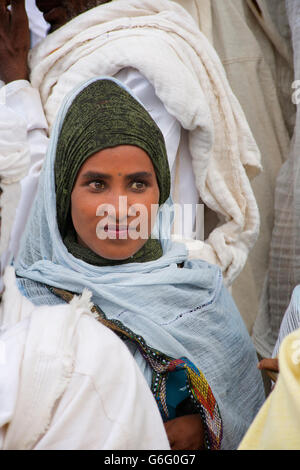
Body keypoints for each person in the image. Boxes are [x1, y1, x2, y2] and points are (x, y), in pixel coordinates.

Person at [14, 76, 265, 450]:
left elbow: (252, 421)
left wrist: (206, 428)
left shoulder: (200, 291)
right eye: (97, 184)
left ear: (160, 189)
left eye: (137, 184)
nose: (119, 208)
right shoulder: (24, 303)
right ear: (64, 192)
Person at [0, 0, 262, 292]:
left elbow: (42, 213)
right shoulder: (95, 51)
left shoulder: (135, 63)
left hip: (134, 289)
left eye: (136, 185)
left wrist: (17, 85)